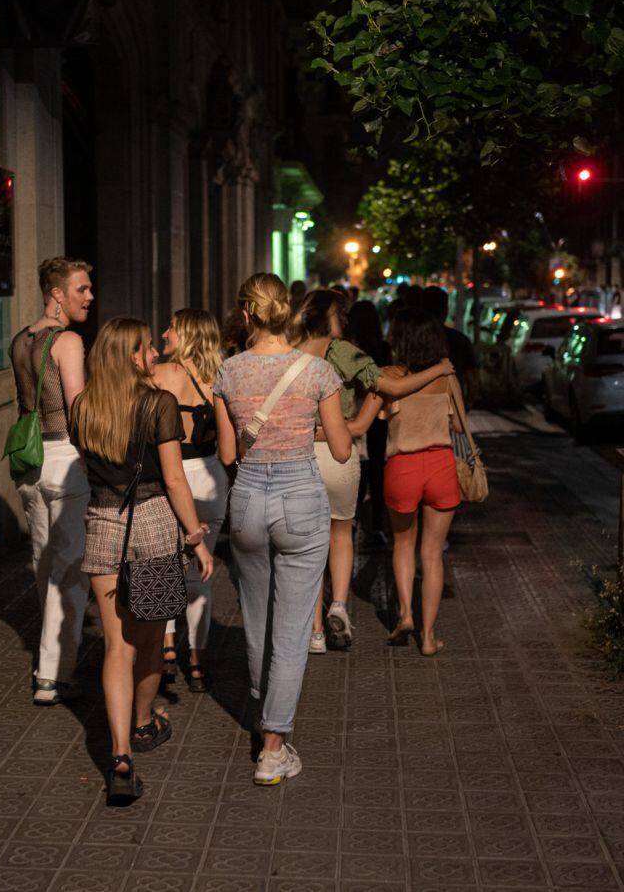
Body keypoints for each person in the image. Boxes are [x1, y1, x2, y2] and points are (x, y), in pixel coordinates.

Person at [213, 274, 350, 786]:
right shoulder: (316, 371)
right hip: (299, 497)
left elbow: (228, 454)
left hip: (247, 497)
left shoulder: (228, 372)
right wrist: (306, 424)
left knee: (256, 617)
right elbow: (339, 448)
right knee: (292, 630)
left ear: (246, 315)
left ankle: (261, 710)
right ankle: (273, 747)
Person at [70, 318, 214, 804]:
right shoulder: (159, 405)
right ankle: (144, 721)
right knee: (150, 634)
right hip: (153, 527)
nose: (154, 352)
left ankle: (119, 754)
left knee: (116, 646)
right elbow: (175, 481)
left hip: (103, 525)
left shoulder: (82, 409)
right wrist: (196, 539)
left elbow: (93, 465)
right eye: (147, 347)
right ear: (132, 356)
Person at [290, 290, 453, 653]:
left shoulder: (288, 350)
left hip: (308, 456)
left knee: (311, 544)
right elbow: (447, 418)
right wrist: (439, 370)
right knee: (347, 535)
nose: (344, 322)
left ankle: (317, 630)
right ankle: (349, 609)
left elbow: (367, 417)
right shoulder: (344, 352)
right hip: (356, 456)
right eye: (340, 315)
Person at [9, 257, 95, 705]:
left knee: (45, 565)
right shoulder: (68, 341)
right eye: (81, 289)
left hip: (29, 463)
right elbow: (77, 407)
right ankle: (53, 671)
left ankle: (50, 656)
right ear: (57, 294)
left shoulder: (21, 340)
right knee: (71, 570)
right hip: (63, 458)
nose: (89, 297)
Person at [380, 307, 465, 657]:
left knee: (403, 544)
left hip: (403, 467)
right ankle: (428, 638)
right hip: (441, 465)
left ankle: (405, 614)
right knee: (432, 554)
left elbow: (381, 415)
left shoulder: (391, 376)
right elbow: (460, 426)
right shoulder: (447, 378)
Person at [154, 309, 228, 693]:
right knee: (203, 573)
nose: (164, 333)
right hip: (211, 476)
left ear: (187, 334)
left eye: (172, 328)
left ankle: (166, 649)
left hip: (172, 478)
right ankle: (197, 662)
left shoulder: (160, 375)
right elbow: (231, 448)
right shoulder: (220, 379)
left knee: (167, 567)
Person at [347, 300, 390, 545]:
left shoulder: (349, 351)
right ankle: (376, 523)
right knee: (377, 466)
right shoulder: (383, 348)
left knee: (360, 465)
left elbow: (360, 389)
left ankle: (353, 519)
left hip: (356, 413)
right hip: (380, 414)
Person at [424, 286, 478, 405]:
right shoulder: (460, 340)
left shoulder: (413, 341)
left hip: (421, 408)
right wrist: (464, 407)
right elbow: (472, 382)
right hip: (452, 405)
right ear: (445, 310)